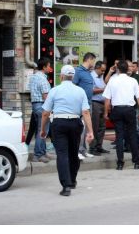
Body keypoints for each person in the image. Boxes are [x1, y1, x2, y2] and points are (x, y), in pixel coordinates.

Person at [41, 65, 94, 196]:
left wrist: (43, 129)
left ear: (61, 76)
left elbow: (45, 113)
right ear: (73, 77)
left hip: (59, 123)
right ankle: (72, 180)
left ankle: (66, 186)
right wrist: (90, 131)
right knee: (73, 152)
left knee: (62, 154)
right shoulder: (80, 91)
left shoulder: (54, 90)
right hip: (76, 123)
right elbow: (86, 112)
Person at [103, 60, 139, 170]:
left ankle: (120, 163)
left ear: (117, 68)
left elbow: (107, 99)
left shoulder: (112, 81)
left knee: (119, 136)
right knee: (132, 136)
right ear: (127, 69)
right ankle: (136, 162)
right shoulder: (132, 81)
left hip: (117, 110)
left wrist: (106, 112)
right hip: (129, 110)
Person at [73, 52, 96, 160]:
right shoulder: (78, 71)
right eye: (93, 60)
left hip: (89, 103)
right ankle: (77, 151)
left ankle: (83, 150)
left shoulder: (88, 72)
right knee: (80, 129)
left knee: (86, 129)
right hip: (80, 105)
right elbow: (73, 86)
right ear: (89, 59)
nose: (94, 63)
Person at [29, 57, 51, 163]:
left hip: (35, 105)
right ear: (44, 67)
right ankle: (38, 155)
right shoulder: (42, 79)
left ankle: (42, 152)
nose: (50, 68)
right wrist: (51, 109)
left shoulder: (33, 77)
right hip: (42, 106)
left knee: (41, 130)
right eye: (49, 66)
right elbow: (46, 96)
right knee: (42, 131)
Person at [90, 61, 110, 155]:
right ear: (97, 68)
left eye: (104, 71)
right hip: (95, 103)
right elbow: (90, 90)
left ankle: (99, 146)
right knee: (95, 126)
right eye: (102, 70)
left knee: (102, 126)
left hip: (102, 103)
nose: (103, 72)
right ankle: (92, 147)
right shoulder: (91, 76)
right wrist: (103, 90)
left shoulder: (100, 77)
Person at [130, 61, 139, 153]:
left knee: (137, 127)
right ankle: (129, 146)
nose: (131, 68)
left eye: (133, 66)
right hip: (127, 106)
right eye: (130, 66)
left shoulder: (137, 77)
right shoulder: (125, 77)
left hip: (135, 106)